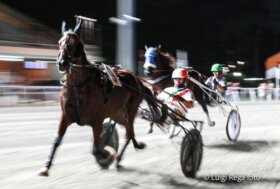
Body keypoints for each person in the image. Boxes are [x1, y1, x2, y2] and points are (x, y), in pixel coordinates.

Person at [146, 68, 194, 136]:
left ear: (184, 79)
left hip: (179, 113)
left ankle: (172, 123)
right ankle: (152, 122)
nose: (177, 81)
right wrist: (153, 97)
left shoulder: (188, 91)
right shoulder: (167, 89)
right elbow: (158, 100)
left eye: (180, 79)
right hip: (166, 110)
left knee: (170, 108)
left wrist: (179, 98)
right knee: (152, 106)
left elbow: (190, 105)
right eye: (175, 79)